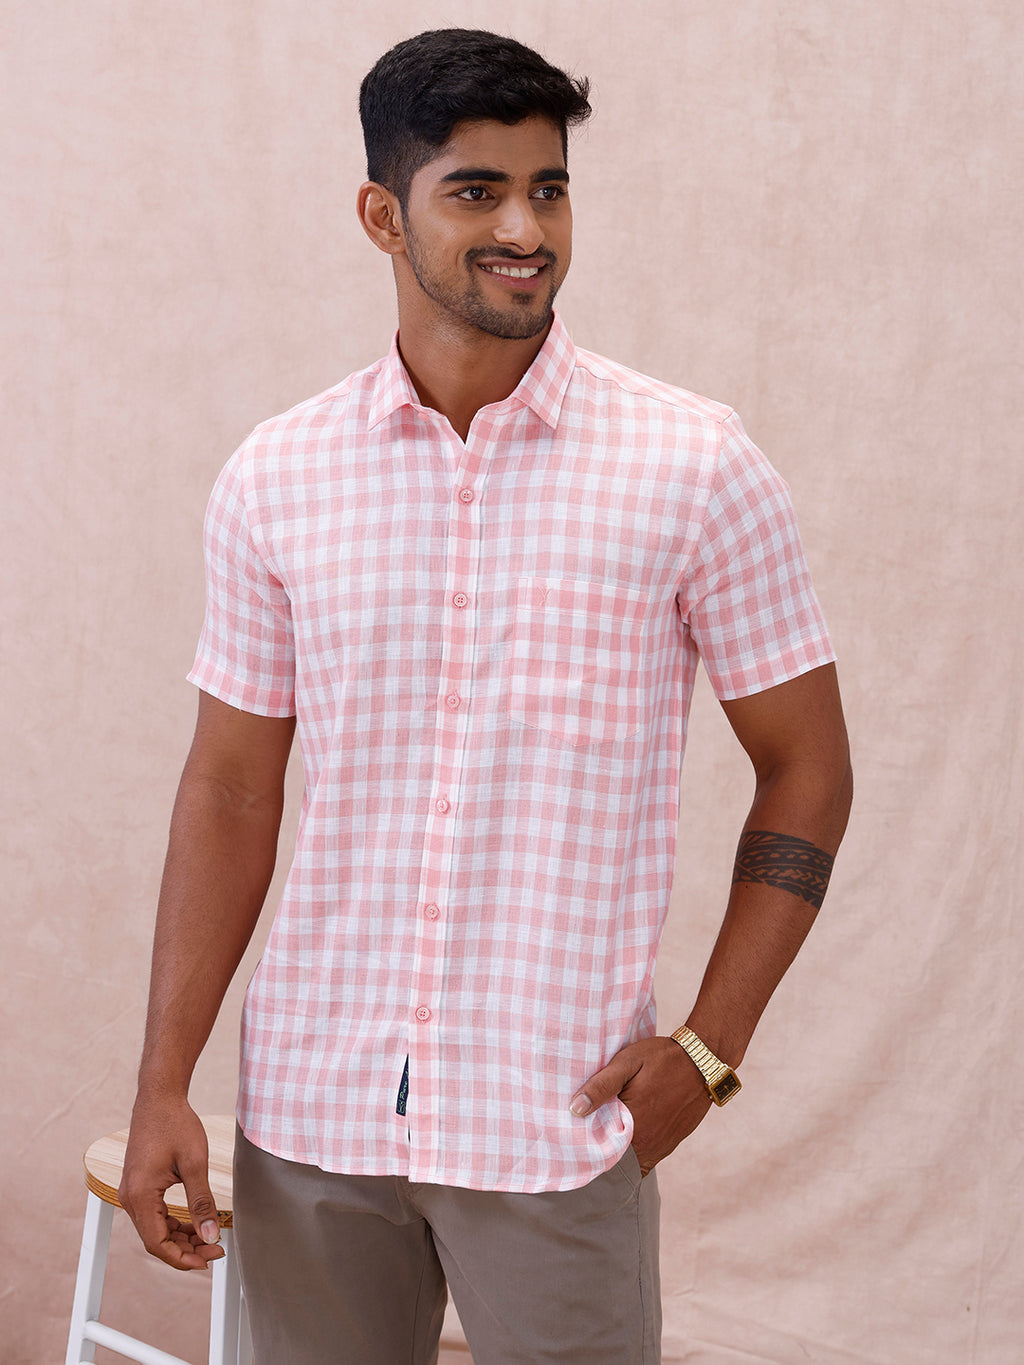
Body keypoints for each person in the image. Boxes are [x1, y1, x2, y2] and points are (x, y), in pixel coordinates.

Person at [118, 28, 852, 1365]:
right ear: (381, 214)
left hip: (555, 1123)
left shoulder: (693, 466)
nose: (526, 229)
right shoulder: (278, 478)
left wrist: (709, 1049)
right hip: (315, 1120)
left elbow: (809, 766)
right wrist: (164, 1078)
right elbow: (229, 788)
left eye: (549, 189)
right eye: (478, 191)